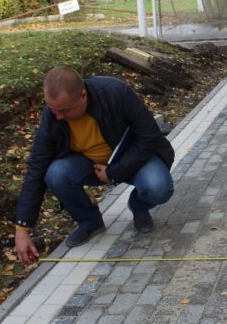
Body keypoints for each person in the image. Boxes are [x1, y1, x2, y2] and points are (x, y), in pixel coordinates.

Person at [14, 67, 174, 265]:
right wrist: (22, 228)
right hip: (89, 163)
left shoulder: (115, 93)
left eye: (64, 110)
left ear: (83, 95)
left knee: (158, 187)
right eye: (52, 110)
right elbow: (36, 168)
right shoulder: (52, 116)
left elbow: (149, 136)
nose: (58, 117)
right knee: (55, 174)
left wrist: (114, 172)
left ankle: (138, 206)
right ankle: (89, 221)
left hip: (132, 158)